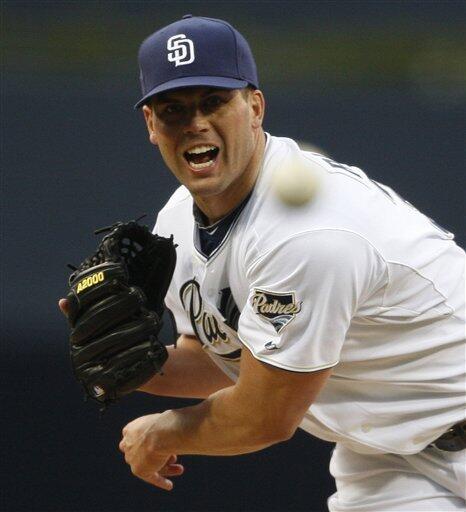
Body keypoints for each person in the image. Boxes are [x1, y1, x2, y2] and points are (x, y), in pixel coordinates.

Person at [61, 15, 466, 511]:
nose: (195, 123)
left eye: (214, 101)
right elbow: (225, 359)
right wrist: (132, 365)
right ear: (151, 125)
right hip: (389, 456)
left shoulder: (310, 234)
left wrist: (163, 431)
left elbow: (264, 417)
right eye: (172, 109)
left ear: (255, 106)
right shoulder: (177, 222)